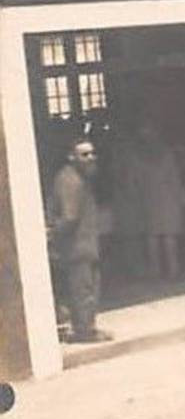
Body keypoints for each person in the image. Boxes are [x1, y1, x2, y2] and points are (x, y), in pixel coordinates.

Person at [47, 139, 111, 343]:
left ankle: (86, 327)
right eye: (84, 154)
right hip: (76, 246)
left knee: (87, 287)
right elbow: (70, 216)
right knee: (83, 289)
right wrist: (52, 235)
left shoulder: (81, 178)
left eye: (92, 153)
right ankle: (85, 331)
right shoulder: (71, 181)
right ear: (71, 157)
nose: (91, 157)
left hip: (85, 244)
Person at [116, 119, 185, 281]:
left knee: (152, 238)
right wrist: (181, 197)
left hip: (148, 200)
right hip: (168, 198)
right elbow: (175, 178)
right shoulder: (167, 155)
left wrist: (134, 197)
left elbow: (131, 182)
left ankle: (156, 271)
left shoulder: (136, 158)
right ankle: (173, 271)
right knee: (169, 236)